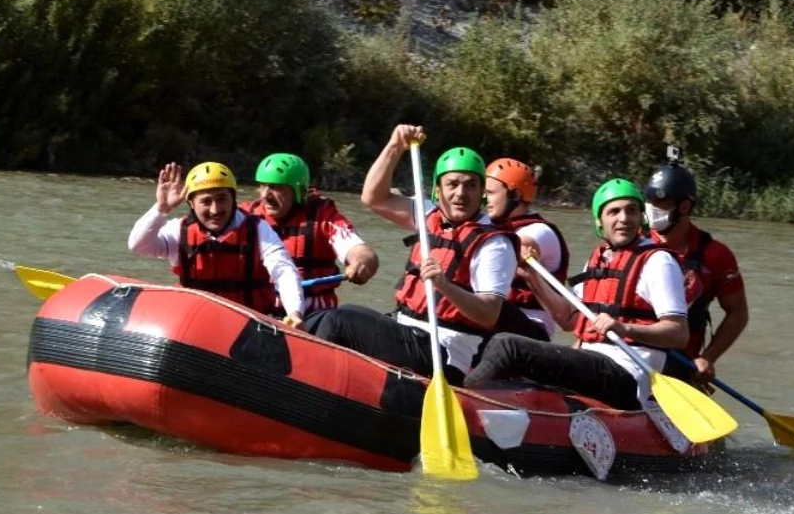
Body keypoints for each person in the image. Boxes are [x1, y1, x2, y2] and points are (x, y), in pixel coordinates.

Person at [306, 124, 517, 384]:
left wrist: (444, 285)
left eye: (470, 185)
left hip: (444, 353)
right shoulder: (428, 214)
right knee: (327, 315)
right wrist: (395, 147)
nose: (461, 193)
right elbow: (373, 197)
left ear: (481, 193)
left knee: (339, 322)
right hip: (407, 331)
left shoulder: (494, 244)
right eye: (452, 184)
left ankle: (312, 388)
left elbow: (489, 314)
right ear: (438, 191)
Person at [465, 178, 689, 412]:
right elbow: (569, 319)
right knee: (505, 351)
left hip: (625, 374)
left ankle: (464, 404)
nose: (624, 218)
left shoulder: (658, 261)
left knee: (507, 345)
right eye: (614, 211)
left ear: (641, 217)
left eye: (631, 210)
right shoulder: (599, 258)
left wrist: (625, 329)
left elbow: (678, 333)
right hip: (593, 364)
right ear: (599, 221)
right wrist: (531, 275)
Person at [128, 161, 305, 326]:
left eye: (222, 199)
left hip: (248, 326)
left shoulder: (258, 229)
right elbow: (138, 244)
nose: (215, 210)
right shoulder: (179, 230)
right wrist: (161, 209)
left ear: (233, 199)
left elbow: (284, 272)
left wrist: (295, 313)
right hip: (195, 323)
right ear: (191, 203)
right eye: (206, 201)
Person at [643, 160, 749, 384]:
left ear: (684, 207)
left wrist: (707, 358)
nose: (651, 207)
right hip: (633, 354)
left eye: (661, 201)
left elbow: (738, 313)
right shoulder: (635, 243)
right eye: (649, 199)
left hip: (681, 366)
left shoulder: (716, 255)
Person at [240, 152, 380, 313]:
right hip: (261, 309)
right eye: (262, 185)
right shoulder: (247, 215)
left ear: (298, 191)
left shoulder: (323, 218)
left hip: (314, 313)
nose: (265, 195)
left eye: (276, 187)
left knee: (340, 319)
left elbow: (360, 250)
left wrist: (361, 263)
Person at [483, 157, 571, 341]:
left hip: (530, 330)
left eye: (490, 192)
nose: (485, 198)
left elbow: (516, 246)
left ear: (515, 196)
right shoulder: (491, 227)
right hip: (498, 323)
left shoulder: (541, 232)